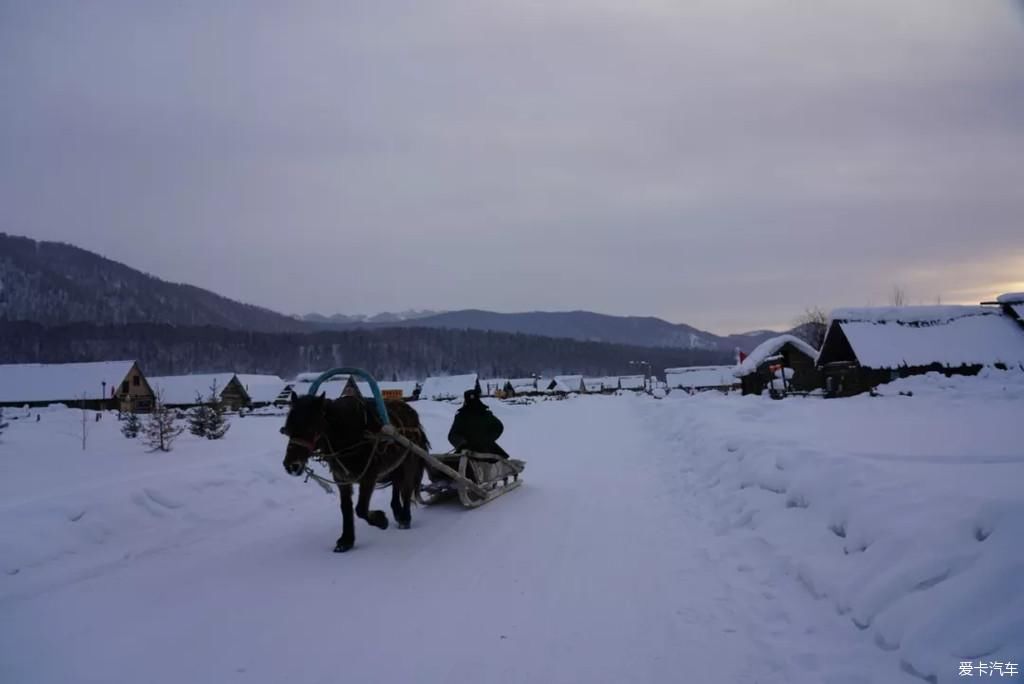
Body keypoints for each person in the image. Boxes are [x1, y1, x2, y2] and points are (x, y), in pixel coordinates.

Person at [447, 388, 509, 458]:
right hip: (467, 452)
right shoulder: (462, 416)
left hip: (486, 450)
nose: (473, 404)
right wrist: (462, 443)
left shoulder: (485, 414)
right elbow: (452, 435)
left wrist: (487, 440)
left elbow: (498, 427)